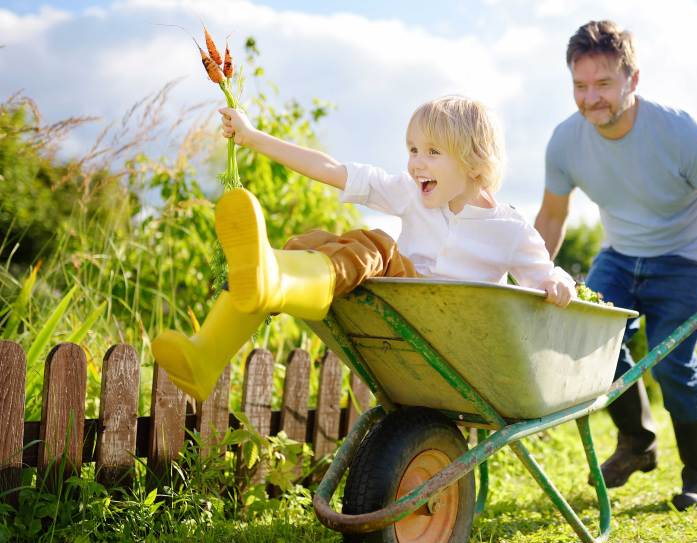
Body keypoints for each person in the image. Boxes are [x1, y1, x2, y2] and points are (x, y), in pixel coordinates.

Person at [153, 95, 576, 401]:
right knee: (310, 246)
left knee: (375, 244)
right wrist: (253, 137)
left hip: (452, 339)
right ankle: (207, 353)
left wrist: (559, 283)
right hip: (401, 321)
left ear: (475, 163)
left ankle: (276, 282)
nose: (415, 163)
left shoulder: (511, 229)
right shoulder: (411, 193)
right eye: (412, 150)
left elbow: (545, 274)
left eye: (432, 152)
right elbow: (333, 170)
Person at [534, 20, 697, 510]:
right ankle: (637, 441)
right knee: (593, 349)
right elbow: (551, 216)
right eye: (580, 86)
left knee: (674, 365)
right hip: (619, 255)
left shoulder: (678, 131)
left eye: (603, 84)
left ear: (632, 79)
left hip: (686, 259)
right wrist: (532, 275)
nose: (591, 99)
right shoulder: (566, 141)